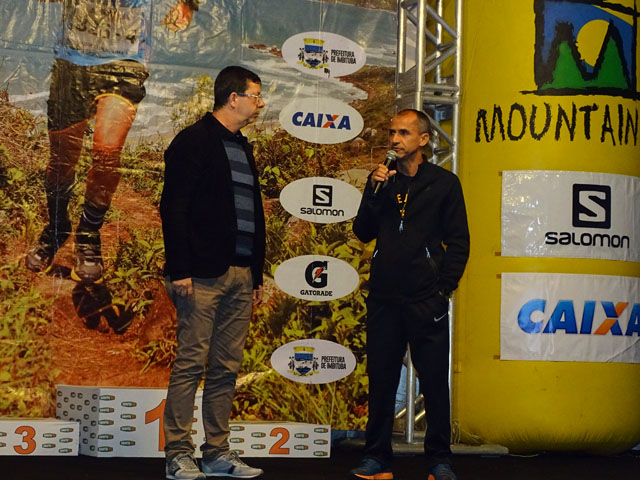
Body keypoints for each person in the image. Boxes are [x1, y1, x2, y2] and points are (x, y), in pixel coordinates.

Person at [26, 0, 198, 282]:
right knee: (62, 157)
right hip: (72, 58)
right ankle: (57, 227)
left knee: (107, 152)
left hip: (126, 62)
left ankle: (88, 234)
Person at [350, 109, 470, 480]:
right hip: (384, 299)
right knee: (382, 381)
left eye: (404, 133)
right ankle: (376, 458)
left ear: (424, 140)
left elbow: (459, 241)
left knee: (434, 382)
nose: (395, 139)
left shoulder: (444, 183)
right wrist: (375, 192)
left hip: (426, 299)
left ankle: (439, 460)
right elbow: (363, 231)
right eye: (392, 132)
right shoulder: (381, 180)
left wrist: (443, 289)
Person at [160, 66, 266, 480]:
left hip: (240, 275)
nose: (260, 104)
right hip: (200, 275)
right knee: (191, 363)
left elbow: (252, 214)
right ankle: (177, 454)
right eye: (256, 95)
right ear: (233, 98)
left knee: (226, 367)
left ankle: (217, 452)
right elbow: (174, 207)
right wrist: (180, 268)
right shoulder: (194, 141)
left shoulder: (241, 146)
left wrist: (256, 274)